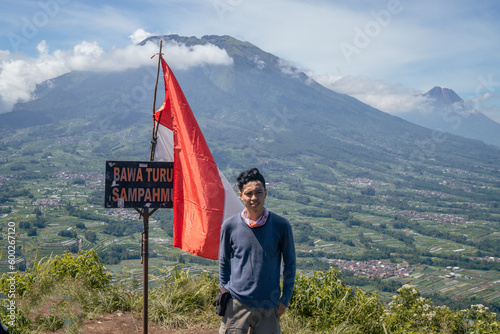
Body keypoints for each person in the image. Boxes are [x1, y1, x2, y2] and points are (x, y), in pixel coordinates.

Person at [218, 167, 296, 334]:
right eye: (248, 193)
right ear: (240, 195)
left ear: (266, 193)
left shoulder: (281, 226)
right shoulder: (230, 226)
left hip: (270, 305)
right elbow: (224, 261)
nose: (254, 198)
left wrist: (285, 300)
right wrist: (225, 292)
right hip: (236, 303)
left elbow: (290, 264)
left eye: (258, 192)